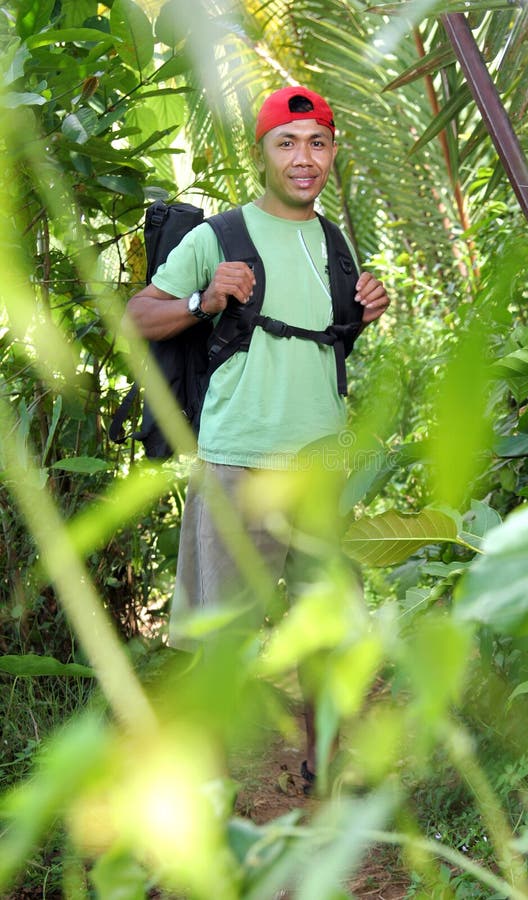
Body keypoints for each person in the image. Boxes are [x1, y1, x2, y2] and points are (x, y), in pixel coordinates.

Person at [126, 85, 390, 786]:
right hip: (237, 465)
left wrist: (362, 312)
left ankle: (324, 774)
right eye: (288, 143)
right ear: (263, 153)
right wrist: (203, 299)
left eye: (317, 144)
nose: (304, 159)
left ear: (332, 151)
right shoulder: (221, 236)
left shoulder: (332, 241)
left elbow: (322, 343)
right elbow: (137, 316)